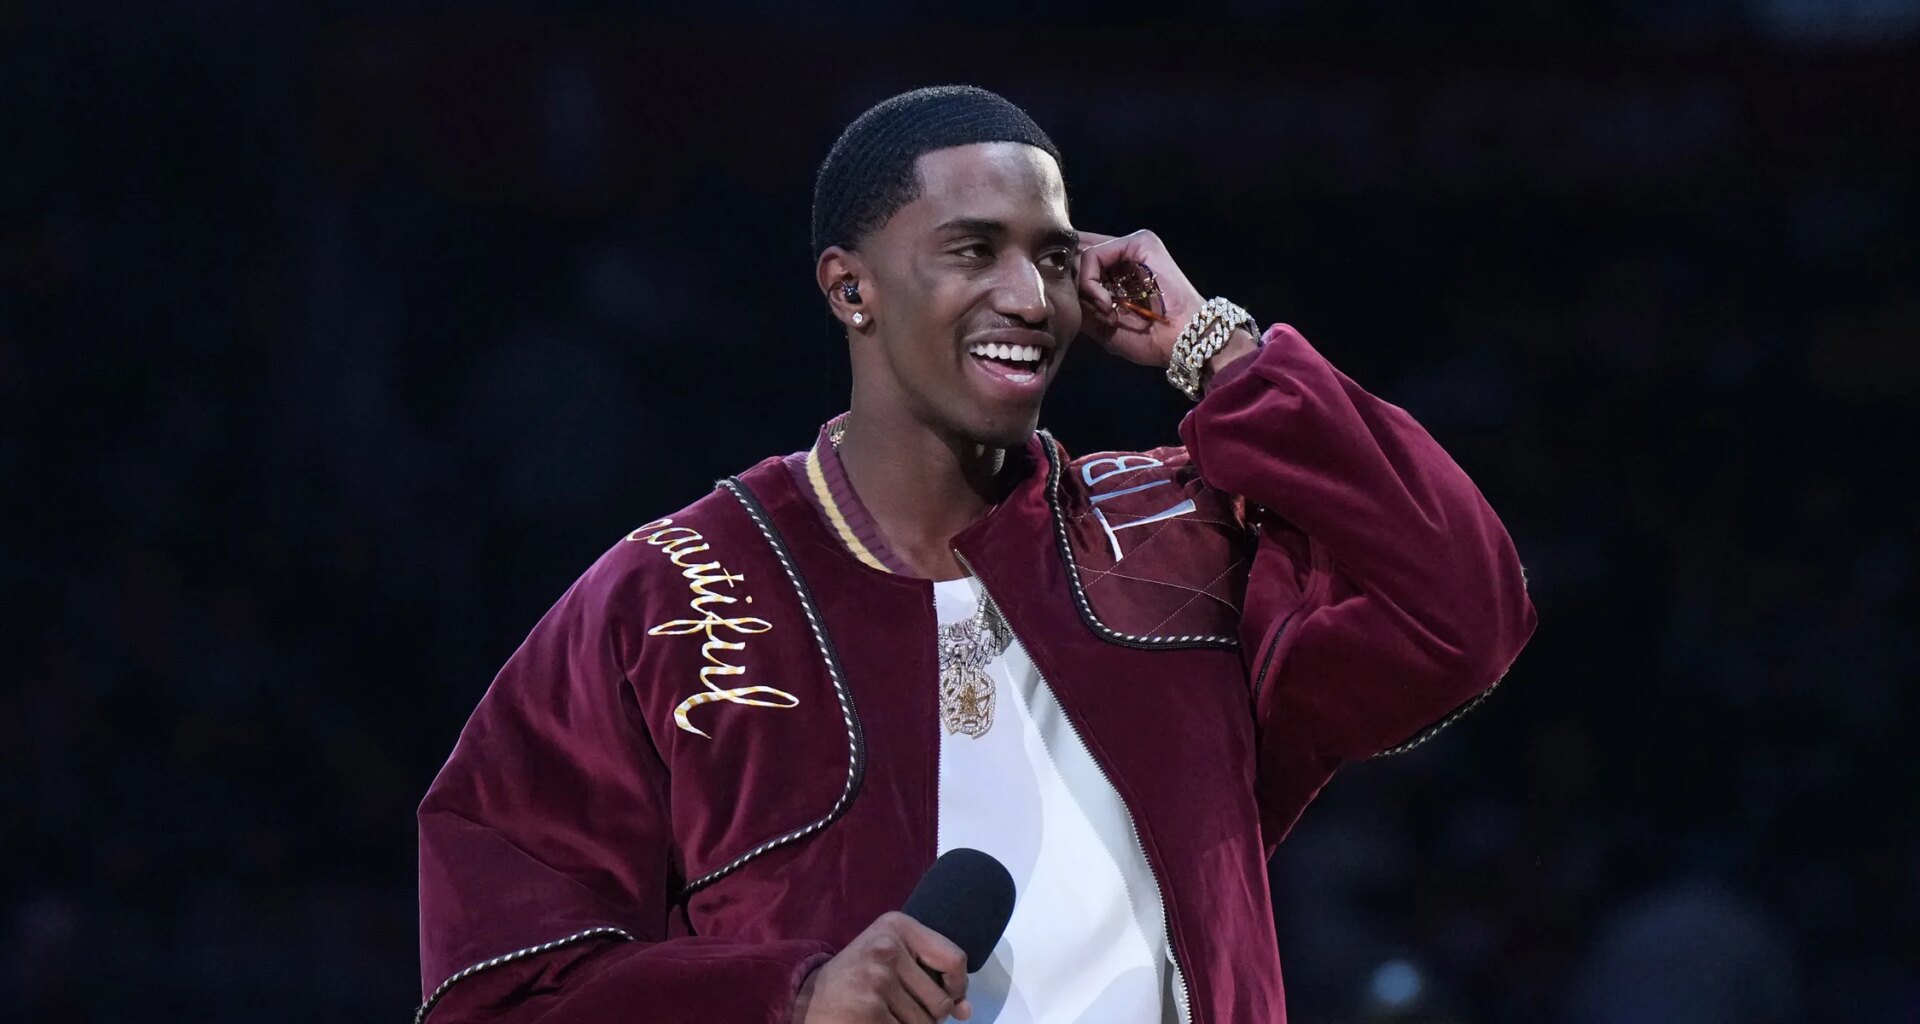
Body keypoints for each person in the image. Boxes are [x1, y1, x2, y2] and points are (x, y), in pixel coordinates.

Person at [415, 85, 1536, 1024]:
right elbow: (502, 990)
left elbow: (1461, 610)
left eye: (1054, 256)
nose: (1029, 297)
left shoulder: (1181, 535)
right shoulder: (668, 597)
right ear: (850, 287)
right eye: (973, 250)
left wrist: (1218, 348)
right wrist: (789, 1000)